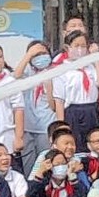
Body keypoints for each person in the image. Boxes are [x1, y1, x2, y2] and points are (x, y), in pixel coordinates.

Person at [51, 29, 99, 148]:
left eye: (83, 46)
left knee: (95, 145)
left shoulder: (91, 67)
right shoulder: (62, 70)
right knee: (76, 145)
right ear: (67, 47)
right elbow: (59, 101)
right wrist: (61, 126)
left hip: (92, 111)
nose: (80, 49)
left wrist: (97, 58)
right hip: (73, 113)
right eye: (76, 46)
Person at [14, 39, 56, 172]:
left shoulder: (55, 72)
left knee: (46, 161)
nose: (40, 57)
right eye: (36, 55)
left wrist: (49, 87)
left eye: (43, 53)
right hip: (28, 127)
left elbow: (54, 104)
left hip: (46, 126)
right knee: (28, 164)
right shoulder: (27, 73)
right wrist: (28, 55)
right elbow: (15, 75)